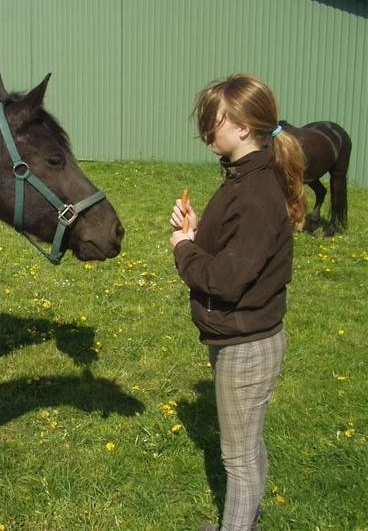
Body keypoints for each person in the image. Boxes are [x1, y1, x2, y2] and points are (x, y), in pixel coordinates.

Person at [168, 74, 306, 531]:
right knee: (248, 444)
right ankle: (243, 521)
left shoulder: (256, 192)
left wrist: (182, 248)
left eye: (215, 119)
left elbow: (226, 279)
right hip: (239, 334)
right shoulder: (244, 178)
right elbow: (231, 246)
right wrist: (195, 228)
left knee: (239, 456)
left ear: (244, 127)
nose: (208, 129)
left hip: (246, 344)